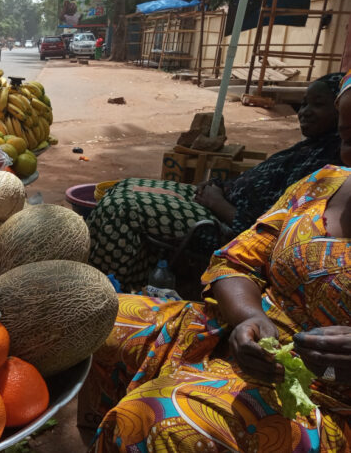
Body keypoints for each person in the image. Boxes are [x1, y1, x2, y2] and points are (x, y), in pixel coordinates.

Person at [83, 69, 351, 452]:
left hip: (324, 393)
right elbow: (235, 260)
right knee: (96, 318)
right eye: (348, 138)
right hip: (239, 335)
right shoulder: (324, 181)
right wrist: (249, 317)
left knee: (157, 421)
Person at [87, 73, 345, 292]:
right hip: (216, 201)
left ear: (342, 111)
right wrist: (220, 185)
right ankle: (127, 278)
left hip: (224, 224)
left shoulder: (329, 162)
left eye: (317, 105)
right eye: (304, 104)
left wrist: (219, 203)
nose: (305, 112)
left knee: (119, 208)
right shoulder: (314, 145)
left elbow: (270, 231)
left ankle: (109, 292)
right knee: (122, 187)